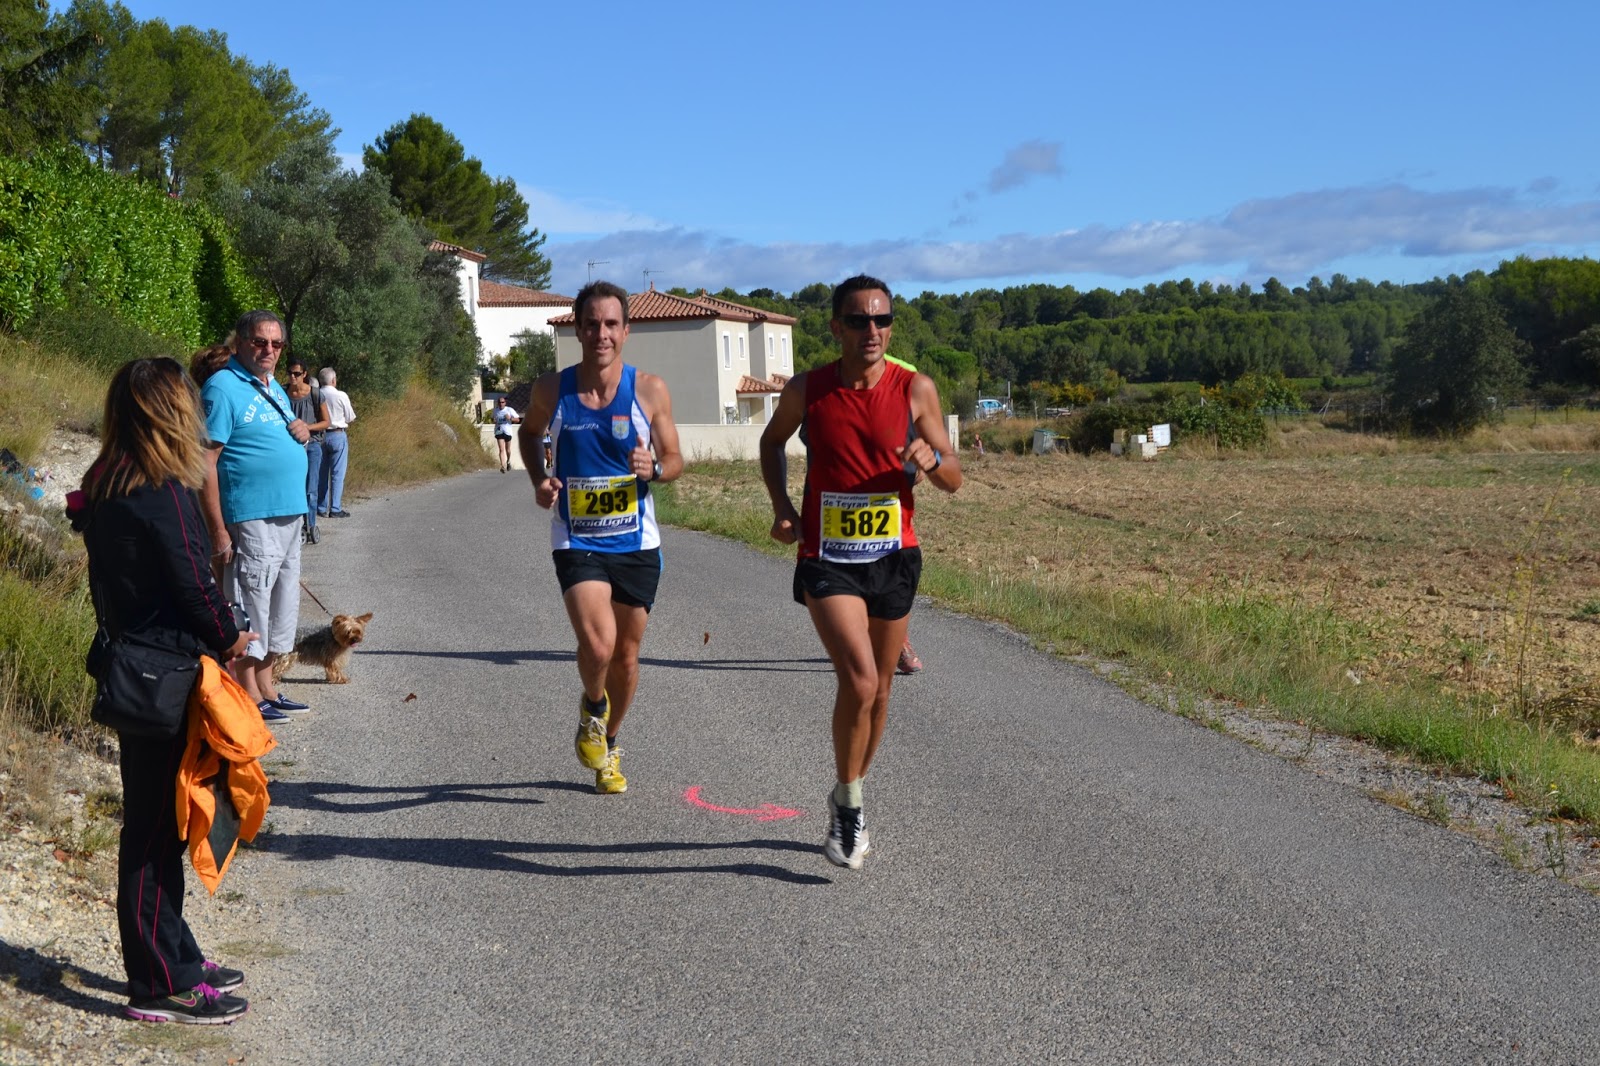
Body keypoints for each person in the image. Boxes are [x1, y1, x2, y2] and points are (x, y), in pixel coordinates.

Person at [70, 357, 256, 1024]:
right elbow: (195, 586)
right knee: (153, 832)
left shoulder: (105, 482)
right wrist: (232, 633)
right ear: (171, 412)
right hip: (166, 679)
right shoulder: (163, 491)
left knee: (160, 824)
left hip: (132, 668)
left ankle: (175, 954)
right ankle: (158, 985)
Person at [759, 274, 961, 869]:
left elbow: (953, 476)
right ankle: (849, 805)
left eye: (881, 319)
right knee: (862, 680)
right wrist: (783, 507)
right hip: (827, 558)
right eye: (858, 320)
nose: (871, 330)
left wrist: (932, 458)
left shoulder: (914, 389)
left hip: (894, 556)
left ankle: (849, 787)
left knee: (882, 690)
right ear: (836, 327)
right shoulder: (809, 389)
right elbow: (771, 444)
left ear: (890, 326)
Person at [517, 280, 682, 794]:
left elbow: (676, 459)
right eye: (592, 324)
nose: (601, 334)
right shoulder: (552, 390)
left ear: (626, 331)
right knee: (597, 642)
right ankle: (593, 704)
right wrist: (539, 477)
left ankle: (607, 741)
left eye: (611, 324)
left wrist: (655, 468)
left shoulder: (649, 389)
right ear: (578, 330)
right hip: (577, 539)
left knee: (626, 658)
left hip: (637, 542)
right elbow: (528, 432)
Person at [199, 311, 314, 724]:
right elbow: (206, 462)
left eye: (276, 344)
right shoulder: (221, 387)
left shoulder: (272, 386)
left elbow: (280, 432)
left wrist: (302, 431)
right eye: (260, 342)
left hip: (288, 512)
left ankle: (267, 687)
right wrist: (217, 531)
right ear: (241, 342)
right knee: (250, 603)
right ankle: (246, 693)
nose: (269, 350)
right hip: (250, 514)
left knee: (282, 603)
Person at [283, 358, 329, 544]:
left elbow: (326, 422)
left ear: (304, 374)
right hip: (289, 446)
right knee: (292, 486)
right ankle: (293, 525)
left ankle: (310, 524)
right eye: (290, 373)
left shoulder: (315, 394)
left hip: (312, 445)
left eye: (297, 374)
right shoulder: (282, 393)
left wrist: (307, 427)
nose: (293, 377)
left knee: (310, 487)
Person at [315, 367, 356, 518]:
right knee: (337, 473)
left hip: (320, 435)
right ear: (333, 380)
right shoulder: (341, 395)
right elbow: (350, 417)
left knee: (321, 473)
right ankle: (335, 507)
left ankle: (320, 507)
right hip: (337, 434)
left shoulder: (316, 394)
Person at [491, 396, 521, 472]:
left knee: (508, 450)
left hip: (507, 431)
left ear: (505, 403)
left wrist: (510, 418)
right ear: (497, 403)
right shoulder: (495, 411)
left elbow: (518, 420)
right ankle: (502, 466)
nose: (501, 404)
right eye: (499, 402)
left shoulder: (509, 410)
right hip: (499, 430)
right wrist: (494, 421)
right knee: (501, 449)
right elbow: (493, 419)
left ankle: (508, 461)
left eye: (502, 402)